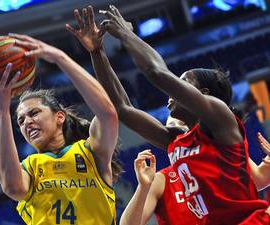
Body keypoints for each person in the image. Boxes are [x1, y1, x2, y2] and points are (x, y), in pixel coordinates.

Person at [66, 5, 270, 225]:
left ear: (203, 95)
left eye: (183, 83)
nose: (173, 91)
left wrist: (126, 34)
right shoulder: (177, 140)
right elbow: (122, 108)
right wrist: (97, 52)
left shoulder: (221, 120)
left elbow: (158, 73)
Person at [0, 31, 120, 225]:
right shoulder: (30, 167)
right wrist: (0, 113)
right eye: (21, 120)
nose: (27, 122)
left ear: (60, 117)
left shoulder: (90, 152)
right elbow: (12, 188)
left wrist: (60, 58)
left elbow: (108, 113)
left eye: (34, 113)